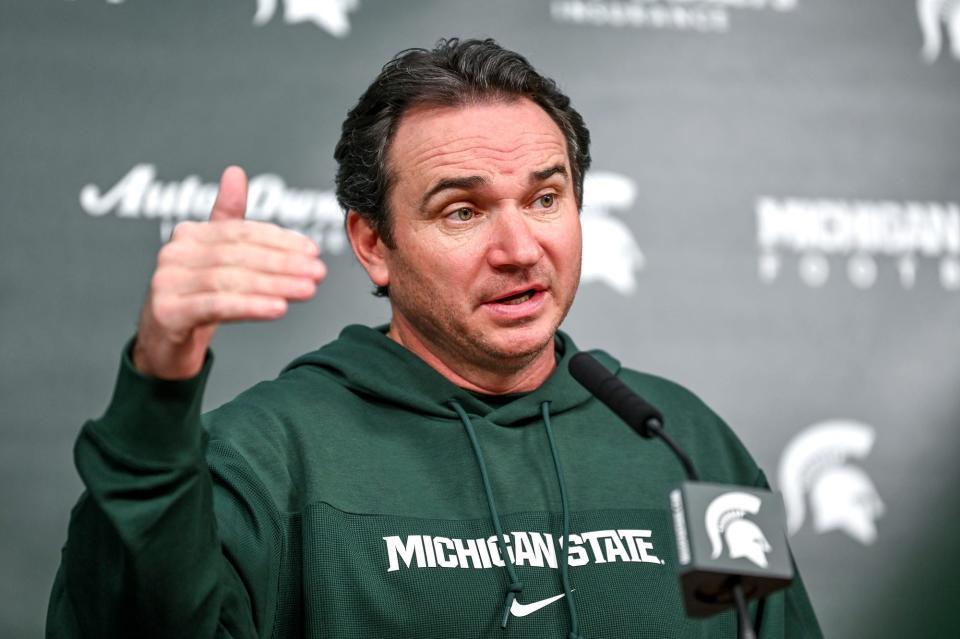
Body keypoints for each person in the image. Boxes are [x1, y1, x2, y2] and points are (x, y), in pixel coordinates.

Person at [47, 39, 822, 638]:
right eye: (463, 210)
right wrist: (158, 383)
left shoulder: (685, 441)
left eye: (546, 198)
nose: (520, 247)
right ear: (374, 242)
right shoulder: (266, 455)